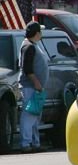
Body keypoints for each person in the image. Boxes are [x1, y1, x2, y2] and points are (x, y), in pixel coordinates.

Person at [18, 22, 49, 153]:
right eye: (40, 32)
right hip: (30, 86)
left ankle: (35, 143)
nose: (41, 34)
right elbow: (27, 68)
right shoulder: (28, 46)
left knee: (35, 116)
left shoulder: (33, 45)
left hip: (36, 88)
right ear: (36, 33)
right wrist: (36, 83)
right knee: (29, 114)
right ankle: (26, 143)